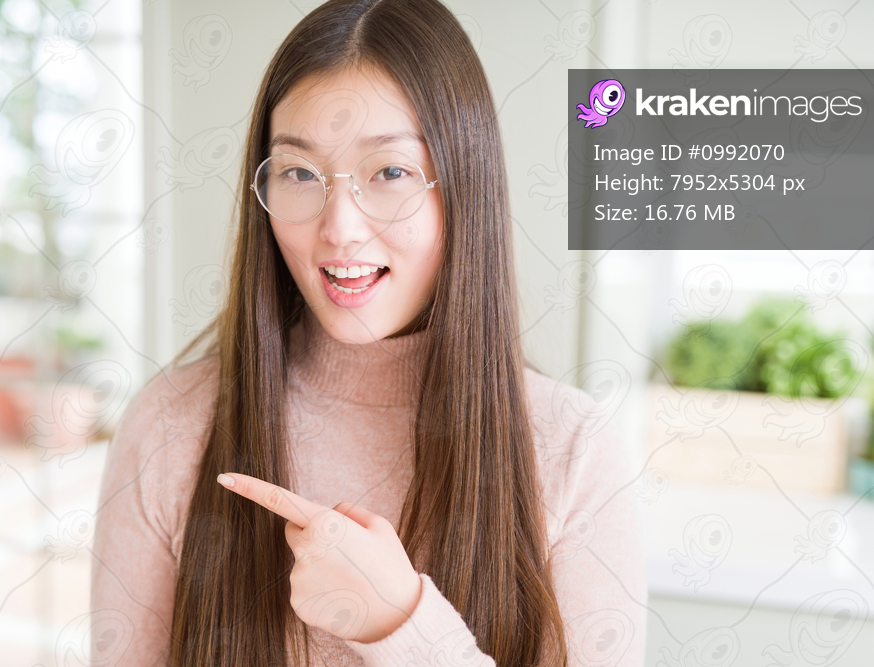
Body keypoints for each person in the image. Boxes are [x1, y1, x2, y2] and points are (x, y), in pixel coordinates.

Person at [90, 0, 647, 665]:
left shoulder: (572, 451)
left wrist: (401, 623)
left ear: (465, 186)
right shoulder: (170, 426)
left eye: (389, 172)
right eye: (299, 172)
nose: (340, 228)